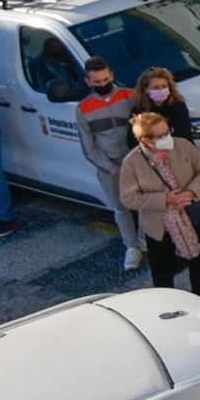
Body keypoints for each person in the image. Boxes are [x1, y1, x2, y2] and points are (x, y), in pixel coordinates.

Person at [120, 112, 200, 297]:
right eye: (161, 135)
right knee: (162, 269)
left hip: (191, 215)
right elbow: (128, 198)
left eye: (167, 131)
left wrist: (191, 192)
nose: (167, 137)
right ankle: (167, 301)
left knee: (199, 259)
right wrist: (164, 199)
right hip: (158, 224)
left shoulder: (182, 145)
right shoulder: (131, 162)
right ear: (146, 140)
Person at [77, 57, 143, 271]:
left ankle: (145, 239)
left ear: (112, 75)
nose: (103, 84)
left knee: (145, 202)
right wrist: (112, 168)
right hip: (110, 167)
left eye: (106, 79)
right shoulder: (84, 109)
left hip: (138, 161)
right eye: (97, 82)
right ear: (88, 82)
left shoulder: (130, 96)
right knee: (121, 207)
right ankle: (131, 247)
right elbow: (89, 147)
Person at [125, 67, 193, 146]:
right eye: (156, 87)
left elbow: (183, 132)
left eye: (164, 86)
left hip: (180, 148)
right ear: (146, 90)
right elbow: (132, 140)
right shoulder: (139, 111)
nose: (161, 90)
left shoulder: (178, 105)